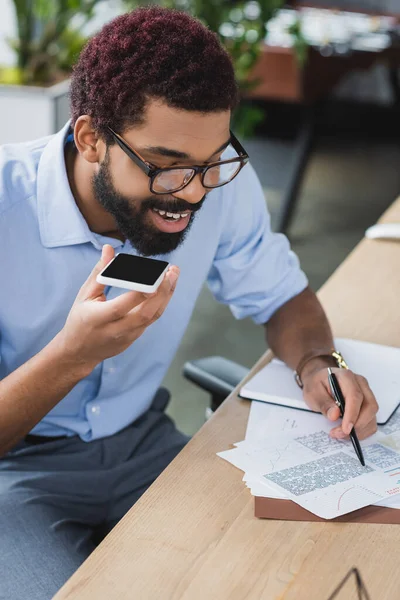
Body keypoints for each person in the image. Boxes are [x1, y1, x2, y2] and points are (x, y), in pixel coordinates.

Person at [0, 6, 378, 599]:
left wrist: (318, 364)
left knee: (280, 574)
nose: (195, 193)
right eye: (167, 168)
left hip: (144, 438)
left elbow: (284, 297)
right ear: (92, 137)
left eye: (211, 165)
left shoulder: (212, 178)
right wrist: (73, 356)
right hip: (14, 471)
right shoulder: (5, 208)